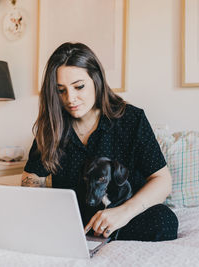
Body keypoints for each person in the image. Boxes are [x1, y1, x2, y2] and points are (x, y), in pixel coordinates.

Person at [21, 42, 178, 242]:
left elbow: (162, 181)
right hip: (73, 219)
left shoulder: (131, 119)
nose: (70, 99)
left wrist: (122, 213)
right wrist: (46, 212)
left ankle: (101, 234)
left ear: (97, 80)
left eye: (79, 87)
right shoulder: (52, 127)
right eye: (61, 90)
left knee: (163, 222)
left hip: (126, 215)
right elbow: (31, 178)